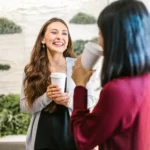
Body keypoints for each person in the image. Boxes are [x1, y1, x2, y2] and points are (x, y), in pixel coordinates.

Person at [70, 0, 150, 150]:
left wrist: (80, 86)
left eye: (101, 33)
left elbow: (83, 139)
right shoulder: (145, 79)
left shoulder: (118, 90)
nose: (99, 40)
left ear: (115, 37)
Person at [20, 17, 101, 150]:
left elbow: (90, 100)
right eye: (54, 32)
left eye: (64, 33)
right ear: (42, 39)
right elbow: (24, 106)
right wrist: (47, 97)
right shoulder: (31, 70)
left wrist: (68, 101)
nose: (59, 37)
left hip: (71, 137)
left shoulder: (79, 66)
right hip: (41, 138)